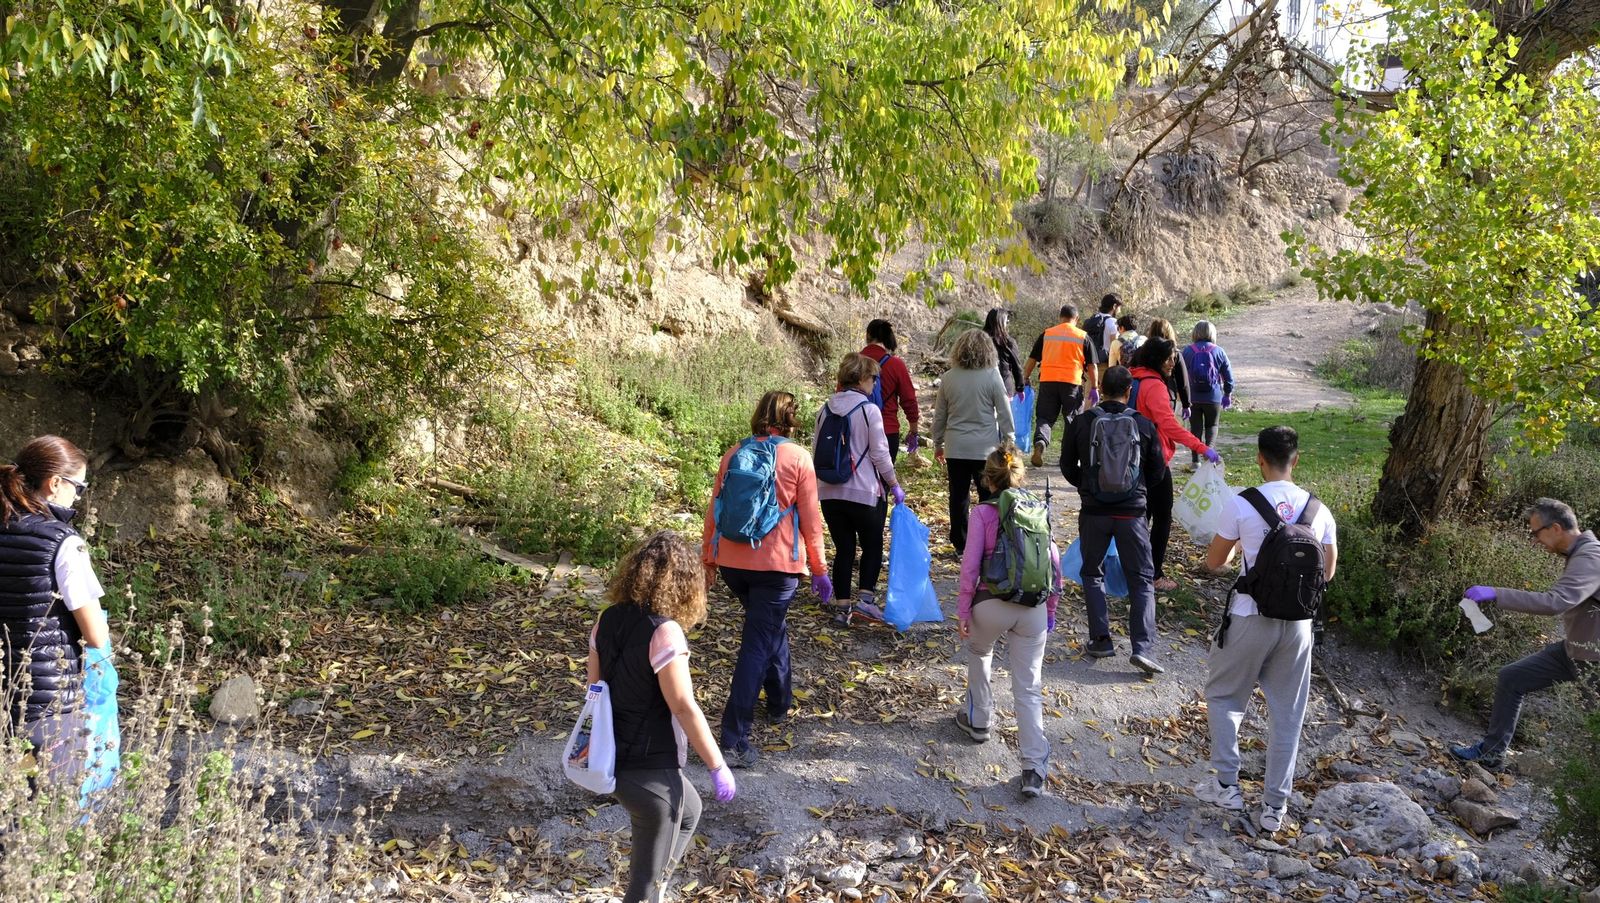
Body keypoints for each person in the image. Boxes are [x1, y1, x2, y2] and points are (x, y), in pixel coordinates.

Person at [1195, 426, 1337, 834]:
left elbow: (1214, 563)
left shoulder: (1242, 504)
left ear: (1259, 458)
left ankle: (1226, 785)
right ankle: (1275, 807)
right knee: (1288, 715)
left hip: (1248, 616)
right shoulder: (1318, 510)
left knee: (1224, 696)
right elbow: (1327, 572)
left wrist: (1243, 548)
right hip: (1298, 627)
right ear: (1296, 459)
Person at [588, 531, 737, 903]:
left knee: (690, 809)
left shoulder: (605, 621)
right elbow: (683, 706)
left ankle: (660, 883)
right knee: (643, 888)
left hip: (612, 761)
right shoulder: (665, 631)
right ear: (685, 583)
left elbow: (594, 692)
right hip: (650, 771)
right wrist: (718, 766)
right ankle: (655, 887)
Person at [702, 392, 830, 767]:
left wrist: (708, 559)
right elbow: (812, 523)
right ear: (792, 420)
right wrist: (820, 571)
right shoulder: (798, 458)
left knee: (769, 627)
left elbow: (715, 510)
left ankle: (779, 701)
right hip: (776, 568)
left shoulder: (732, 453)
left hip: (733, 564)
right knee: (757, 643)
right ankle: (733, 738)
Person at [1450, 498, 1600, 768]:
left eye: (1535, 533)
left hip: (1594, 664)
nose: (1534, 541)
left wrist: (1497, 593)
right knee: (1513, 677)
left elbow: (1555, 602)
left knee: (1593, 733)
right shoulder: (1580, 554)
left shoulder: (1591, 557)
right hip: (1574, 651)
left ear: (1555, 528)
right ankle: (1492, 753)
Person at [0, 435, 111, 786]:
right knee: (45, 819)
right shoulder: (63, 542)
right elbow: (95, 636)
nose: (77, 496)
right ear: (55, 483)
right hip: (46, 709)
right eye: (78, 487)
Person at [954, 441, 1061, 798]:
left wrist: (963, 609)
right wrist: (1050, 610)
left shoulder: (982, 513)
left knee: (980, 652)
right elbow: (1054, 563)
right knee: (1028, 686)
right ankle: (1033, 768)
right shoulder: (1037, 508)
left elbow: (970, 567)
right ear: (1020, 475)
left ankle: (980, 719)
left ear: (987, 480)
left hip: (990, 604)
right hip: (1031, 606)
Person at [1061, 366, 1167, 674]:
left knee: (1092, 573)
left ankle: (1101, 640)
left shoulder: (1082, 422)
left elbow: (1068, 464)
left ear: (1101, 389)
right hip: (1132, 513)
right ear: (1129, 390)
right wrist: (1138, 488)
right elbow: (1157, 471)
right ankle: (1143, 648)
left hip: (1094, 511)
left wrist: (1087, 485)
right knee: (1142, 579)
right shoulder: (1144, 425)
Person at [816, 353, 904, 626]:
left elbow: (817, 449)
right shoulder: (869, 411)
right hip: (865, 493)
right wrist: (894, 485)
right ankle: (865, 602)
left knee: (844, 548)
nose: (875, 384)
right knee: (872, 545)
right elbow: (880, 454)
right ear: (862, 378)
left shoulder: (825, 409)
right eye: (874, 378)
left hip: (830, 493)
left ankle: (842, 608)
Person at [1129, 339, 1220, 592]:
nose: (1173, 363)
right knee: (1162, 518)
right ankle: (1154, 574)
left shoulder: (1132, 378)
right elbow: (1168, 425)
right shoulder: (1155, 386)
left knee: (1138, 516)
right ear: (1156, 359)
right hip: (1153, 460)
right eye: (1169, 358)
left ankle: (1131, 569)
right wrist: (1202, 448)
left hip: (1130, 458)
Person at [933, 329, 1016, 556]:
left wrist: (937, 443)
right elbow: (1004, 411)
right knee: (988, 496)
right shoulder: (992, 375)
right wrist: (1010, 440)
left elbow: (940, 415)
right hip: (985, 449)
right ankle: (989, 542)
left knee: (958, 496)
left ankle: (961, 544)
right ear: (987, 351)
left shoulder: (949, 377)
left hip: (956, 447)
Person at [1021, 304, 1097, 469]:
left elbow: (1032, 360)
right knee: (1072, 419)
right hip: (1072, 384)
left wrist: (1024, 379)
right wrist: (1095, 387)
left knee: (1045, 418)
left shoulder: (1047, 334)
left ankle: (1041, 443)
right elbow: (1092, 366)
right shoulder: (1083, 336)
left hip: (1048, 382)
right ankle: (1068, 457)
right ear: (1076, 319)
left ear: (1060, 317)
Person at [863, 319, 921, 462]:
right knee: (884, 481)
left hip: (856, 432)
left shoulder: (852, 362)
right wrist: (914, 431)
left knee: (859, 482)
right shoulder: (895, 364)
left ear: (868, 336)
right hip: (887, 432)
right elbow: (909, 401)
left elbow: (841, 395)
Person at [1182, 321, 1236, 466]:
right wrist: (1227, 393)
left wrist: (1183, 398)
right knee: (1212, 425)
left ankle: (1195, 461)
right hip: (1213, 397)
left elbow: (1180, 376)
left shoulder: (1187, 351)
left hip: (1192, 397)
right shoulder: (1219, 351)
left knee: (1195, 428)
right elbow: (1229, 376)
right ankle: (1209, 453)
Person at [1148, 318, 1191, 427]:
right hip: (1168, 395)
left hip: (1147, 393)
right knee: (1166, 428)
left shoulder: (1143, 351)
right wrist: (1186, 404)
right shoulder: (1175, 354)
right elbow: (1183, 381)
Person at [1081, 293, 1124, 386]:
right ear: (1114, 306)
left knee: (1090, 395)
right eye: (1120, 307)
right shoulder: (1113, 322)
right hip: (1104, 364)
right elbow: (1114, 345)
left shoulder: (1093, 318)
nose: (1120, 310)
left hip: (1089, 363)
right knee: (1107, 395)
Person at [983, 308, 1025, 396]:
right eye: (1007, 321)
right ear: (1001, 322)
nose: (1007, 324)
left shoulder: (980, 340)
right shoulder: (1008, 342)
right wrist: (1020, 388)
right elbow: (1017, 366)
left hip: (982, 387)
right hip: (1004, 387)